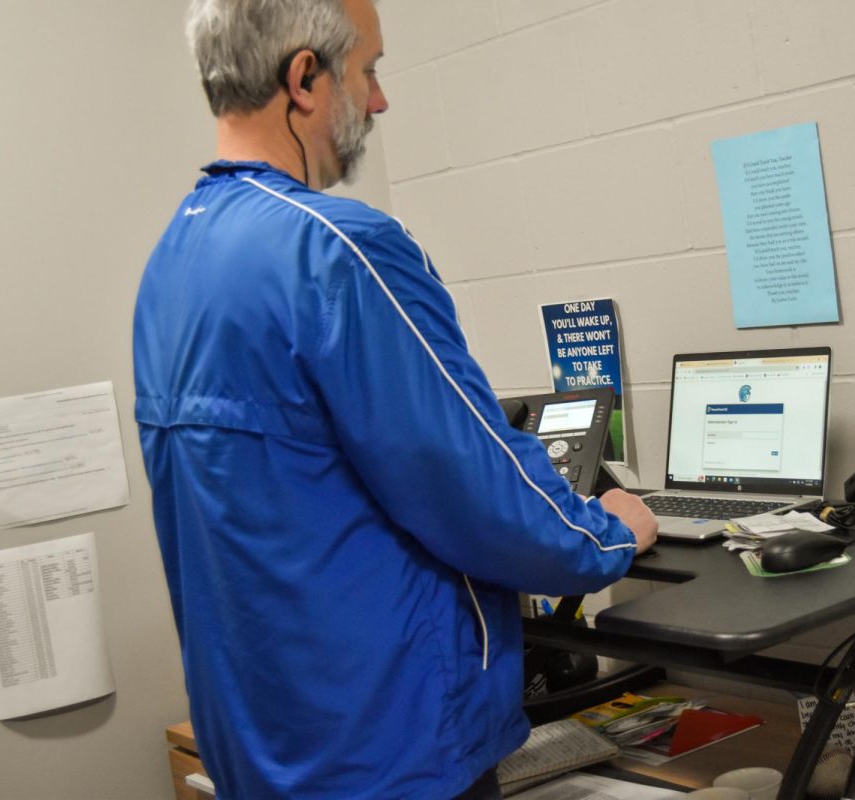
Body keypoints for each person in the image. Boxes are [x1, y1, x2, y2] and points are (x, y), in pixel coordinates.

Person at [132, 0, 658, 797]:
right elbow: (474, 484)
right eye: (368, 70)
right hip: (392, 751)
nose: (380, 100)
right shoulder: (339, 249)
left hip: (265, 751)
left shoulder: (171, 267)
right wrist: (607, 535)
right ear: (304, 77)